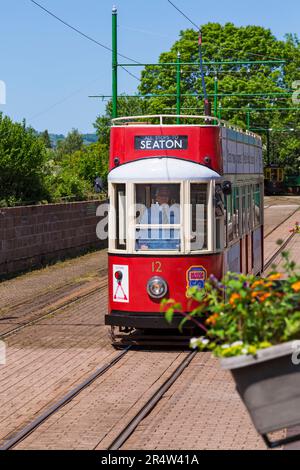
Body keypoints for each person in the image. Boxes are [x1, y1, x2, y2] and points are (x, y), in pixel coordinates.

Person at [136, 186, 180, 250]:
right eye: (161, 195)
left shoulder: (175, 211)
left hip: (172, 248)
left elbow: (179, 230)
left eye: (166, 196)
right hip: (153, 248)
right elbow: (143, 230)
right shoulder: (149, 212)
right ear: (156, 197)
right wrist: (143, 244)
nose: (164, 198)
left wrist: (181, 244)